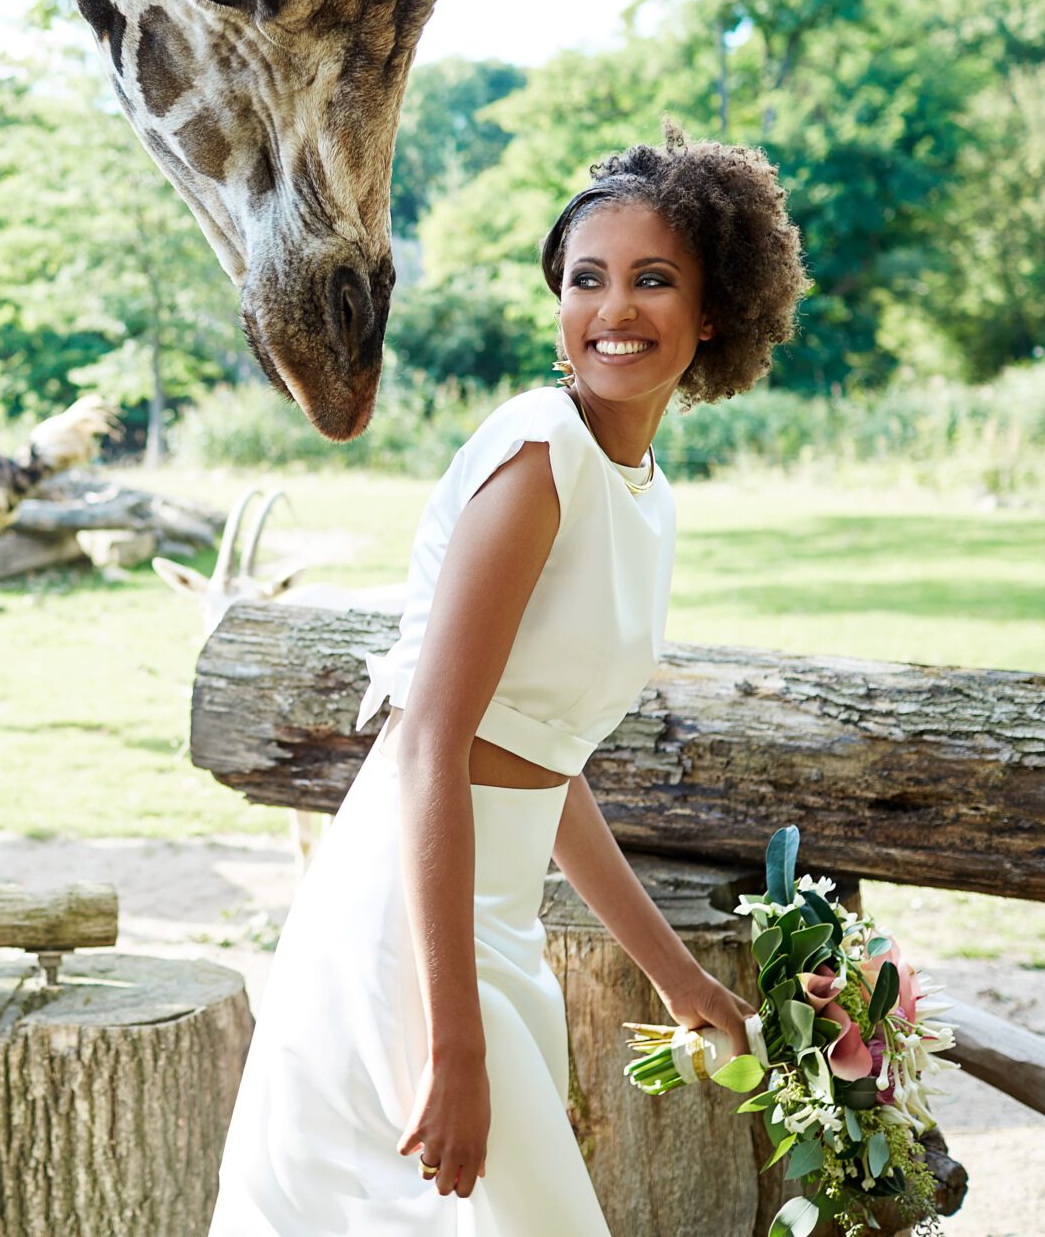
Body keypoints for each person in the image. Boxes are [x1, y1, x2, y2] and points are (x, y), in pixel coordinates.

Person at [211, 125, 811, 1235]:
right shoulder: (542, 454)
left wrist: (678, 975)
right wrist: (453, 1042)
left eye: (652, 280)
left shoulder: (645, 495)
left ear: (714, 312)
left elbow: (544, 759)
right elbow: (431, 744)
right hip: (409, 924)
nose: (613, 308)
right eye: (586, 279)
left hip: (495, 925)